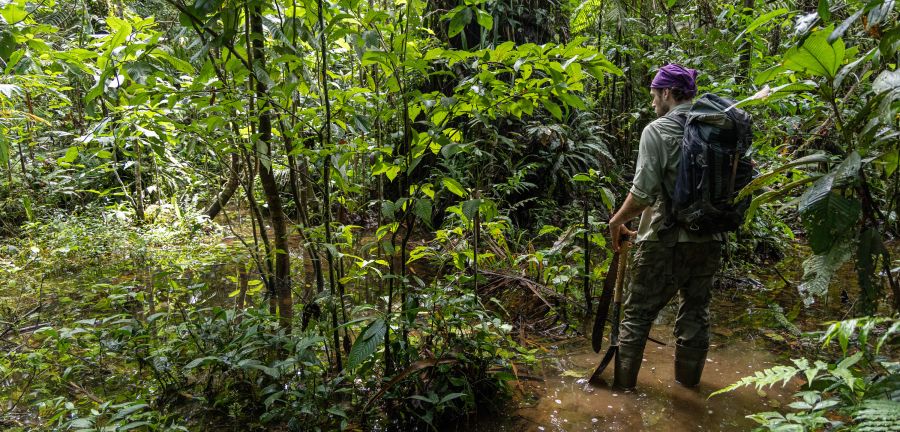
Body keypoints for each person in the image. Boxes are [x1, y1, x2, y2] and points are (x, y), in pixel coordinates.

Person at [607, 64, 724, 390]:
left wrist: (617, 221)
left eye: (654, 95)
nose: (652, 103)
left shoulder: (656, 130)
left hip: (663, 239)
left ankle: (623, 397)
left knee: (637, 316)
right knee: (695, 313)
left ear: (668, 93)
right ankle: (689, 391)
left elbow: (643, 194)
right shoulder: (717, 129)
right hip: (709, 240)